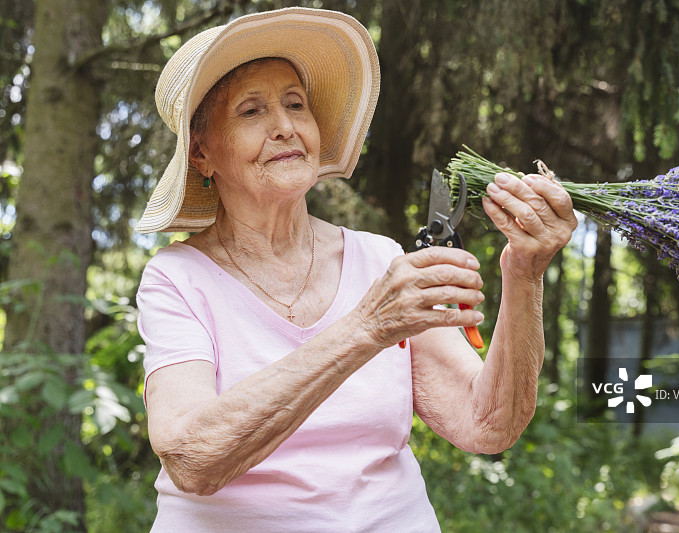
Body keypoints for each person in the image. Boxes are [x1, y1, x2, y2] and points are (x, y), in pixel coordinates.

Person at [135, 7, 577, 532]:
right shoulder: (177, 278)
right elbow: (193, 459)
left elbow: (488, 424)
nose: (285, 127)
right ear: (203, 154)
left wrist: (524, 271)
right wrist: (366, 328)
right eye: (251, 111)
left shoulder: (379, 260)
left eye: (296, 105)